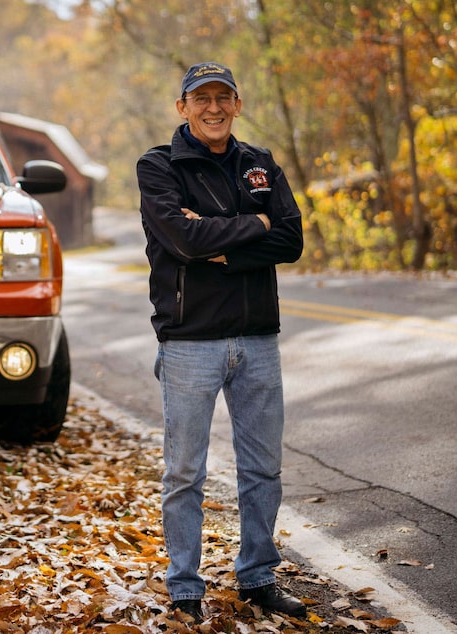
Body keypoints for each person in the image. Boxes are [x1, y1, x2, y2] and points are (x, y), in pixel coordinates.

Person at [135, 61, 306, 623]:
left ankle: (257, 577)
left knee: (264, 469)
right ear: (181, 107)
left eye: (223, 97)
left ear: (238, 103)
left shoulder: (259, 163)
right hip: (191, 341)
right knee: (184, 472)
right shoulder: (159, 166)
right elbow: (183, 239)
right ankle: (185, 585)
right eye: (200, 98)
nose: (213, 107)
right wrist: (255, 224)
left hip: (258, 338)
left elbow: (292, 237)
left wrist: (229, 242)